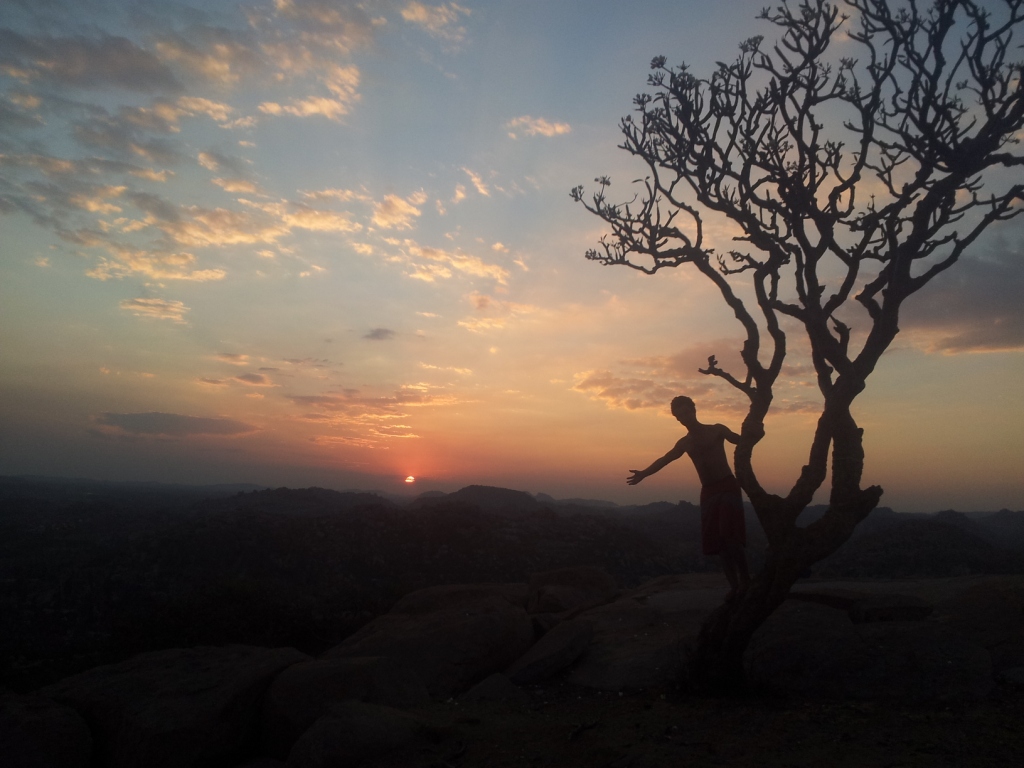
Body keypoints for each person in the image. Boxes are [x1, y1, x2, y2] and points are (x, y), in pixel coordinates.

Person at [627, 395, 751, 599]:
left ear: (694, 410)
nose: (684, 417)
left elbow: (740, 440)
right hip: (709, 491)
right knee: (719, 541)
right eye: (679, 415)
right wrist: (644, 473)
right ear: (677, 419)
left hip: (727, 485)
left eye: (686, 412)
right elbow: (665, 459)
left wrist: (754, 431)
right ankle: (735, 586)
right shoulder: (685, 443)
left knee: (731, 536)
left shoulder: (716, 429)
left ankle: (746, 581)